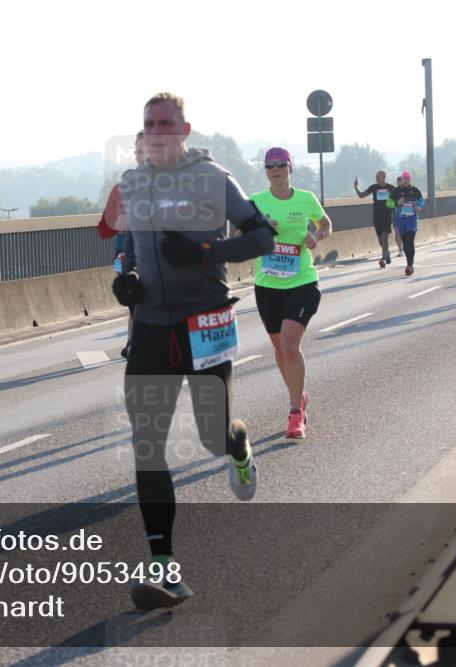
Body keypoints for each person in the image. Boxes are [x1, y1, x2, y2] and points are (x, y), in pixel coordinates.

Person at [113, 92, 275, 611]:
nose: (157, 132)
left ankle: (239, 444)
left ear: (185, 130)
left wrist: (208, 250)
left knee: (212, 436)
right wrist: (129, 282)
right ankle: (164, 569)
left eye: (166, 124)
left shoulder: (214, 180)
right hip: (153, 328)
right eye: (148, 125)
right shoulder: (132, 185)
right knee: (147, 444)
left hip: (203, 323)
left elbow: (263, 238)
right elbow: (130, 252)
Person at [255, 148, 332, 438]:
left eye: (280, 165)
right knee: (278, 350)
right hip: (267, 285)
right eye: (269, 166)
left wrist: (316, 236)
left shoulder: (305, 198)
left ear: (290, 168)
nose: (275, 169)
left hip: (301, 282)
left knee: (289, 346)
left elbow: (326, 224)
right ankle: (298, 395)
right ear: (265, 171)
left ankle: (295, 413)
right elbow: (238, 238)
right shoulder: (256, 203)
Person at [99, 131, 145, 358]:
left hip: (166, 264)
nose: (142, 156)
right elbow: (103, 229)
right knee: (135, 307)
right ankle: (133, 344)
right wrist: (118, 223)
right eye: (138, 152)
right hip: (128, 259)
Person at [354, 171, 395, 268]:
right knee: (380, 239)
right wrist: (356, 187)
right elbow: (361, 195)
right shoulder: (373, 187)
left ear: (384, 177)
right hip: (377, 216)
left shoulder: (391, 188)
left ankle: (383, 259)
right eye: (376, 176)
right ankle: (387, 253)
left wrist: (392, 207)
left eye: (378, 176)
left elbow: (397, 199)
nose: (376, 178)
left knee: (385, 237)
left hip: (387, 216)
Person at [391, 171, 424, 276]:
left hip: (412, 219)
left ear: (410, 179)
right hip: (400, 220)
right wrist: (397, 203)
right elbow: (388, 203)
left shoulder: (415, 190)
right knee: (406, 243)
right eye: (404, 178)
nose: (406, 180)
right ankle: (409, 262)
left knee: (410, 240)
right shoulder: (396, 191)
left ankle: (410, 265)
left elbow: (422, 201)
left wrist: (418, 206)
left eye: (408, 178)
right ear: (401, 180)